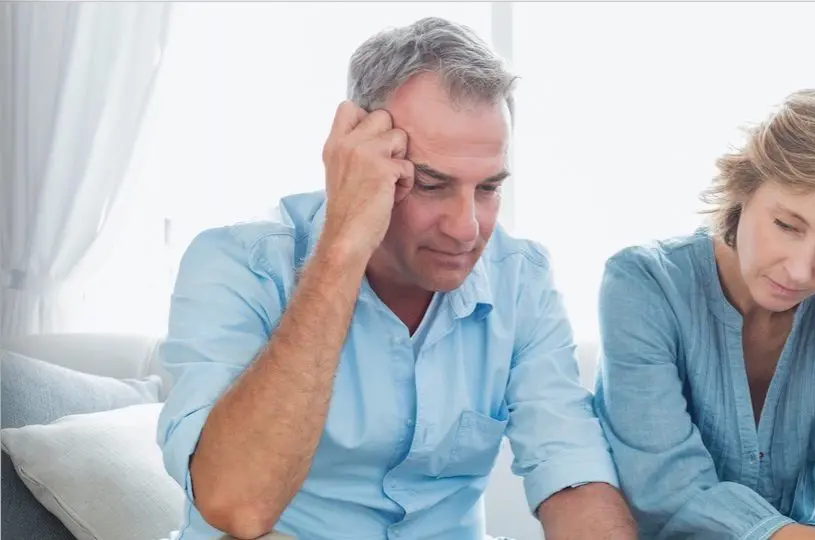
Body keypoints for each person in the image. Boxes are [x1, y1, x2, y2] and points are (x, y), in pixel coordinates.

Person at [156, 17, 636, 540]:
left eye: (488, 188)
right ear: (358, 158)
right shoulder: (236, 266)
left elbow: (571, 471)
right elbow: (237, 505)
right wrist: (343, 246)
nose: (466, 228)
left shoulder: (521, 280)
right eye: (430, 185)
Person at [593, 89, 815, 540]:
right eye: (786, 225)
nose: (800, 270)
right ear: (746, 187)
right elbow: (666, 492)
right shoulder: (645, 283)